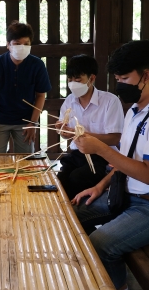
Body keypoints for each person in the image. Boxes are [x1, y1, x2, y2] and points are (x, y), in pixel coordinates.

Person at [71, 40, 149, 290]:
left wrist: (100, 147)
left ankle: (116, 285)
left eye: (124, 78)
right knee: (72, 215)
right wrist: (100, 186)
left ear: (145, 76)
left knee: (101, 243)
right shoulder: (135, 111)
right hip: (127, 194)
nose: (120, 85)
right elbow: (125, 162)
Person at [54, 55, 124, 199]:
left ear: (92, 79)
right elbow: (63, 130)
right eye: (70, 79)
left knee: (78, 178)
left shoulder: (110, 101)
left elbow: (115, 138)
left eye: (78, 80)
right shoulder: (69, 101)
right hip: (77, 154)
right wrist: (62, 130)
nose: (73, 83)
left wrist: (84, 135)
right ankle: (65, 215)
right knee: (60, 180)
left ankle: (81, 216)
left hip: (102, 156)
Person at [0, 20, 51, 153]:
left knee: (25, 162)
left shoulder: (37, 65)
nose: (22, 47)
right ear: (8, 45)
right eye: (17, 44)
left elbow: (41, 95)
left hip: (26, 122)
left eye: (26, 44)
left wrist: (33, 123)